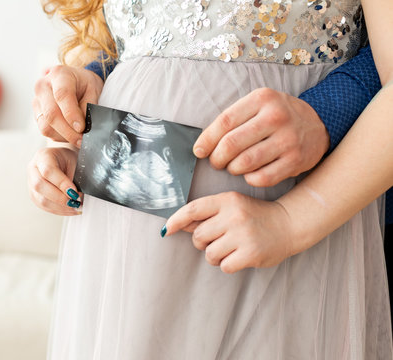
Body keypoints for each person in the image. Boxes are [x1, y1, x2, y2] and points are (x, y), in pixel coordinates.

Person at [29, 0, 393, 358]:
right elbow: (154, 46)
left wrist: (291, 218)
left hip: (282, 223)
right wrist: (87, 143)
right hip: (125, 239)